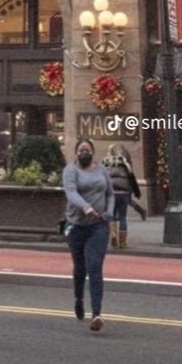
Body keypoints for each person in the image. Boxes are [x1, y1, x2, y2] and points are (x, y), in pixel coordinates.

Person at [63, 138, 114, 332]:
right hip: (76, 225)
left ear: (93, 152)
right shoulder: (71, 170)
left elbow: (110, 193)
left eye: (88, 150)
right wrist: (86, 208)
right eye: (81, 150)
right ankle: (79, 299)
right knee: (80, 267)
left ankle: (96, 313)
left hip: (98, 226)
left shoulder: (102, 171)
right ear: (76, 153)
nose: (84, 153)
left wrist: (108, 212)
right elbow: (71, 192)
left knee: (94, 267)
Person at [103, 144, 134, 249]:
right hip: (123, 193)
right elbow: (131, 175)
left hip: (112, 193)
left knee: (112, 215)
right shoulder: (125, 163)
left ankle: (113, 235)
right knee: (122, 217)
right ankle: (123, 242)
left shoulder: (107, 162)